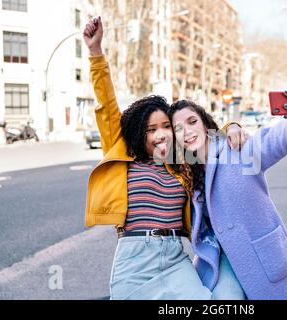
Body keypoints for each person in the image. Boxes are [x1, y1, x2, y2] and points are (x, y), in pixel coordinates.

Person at [83, 17, 246, 300]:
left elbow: (207, 135)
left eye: (165, 126)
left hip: (175, 258)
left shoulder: (182, 162)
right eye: (151, 129)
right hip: (134, 259)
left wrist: (232, 127)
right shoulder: (126, 156)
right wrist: (96, 52)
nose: (160, 135)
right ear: (139, 134)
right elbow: (107, 106)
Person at [169, 87, 287, 300]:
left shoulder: (237, 149)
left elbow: (272, 141)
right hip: (220, 266)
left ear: (205, 123)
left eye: (192, 122)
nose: (188, 132)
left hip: (264, 262)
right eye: (179, 128)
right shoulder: (187, 174)